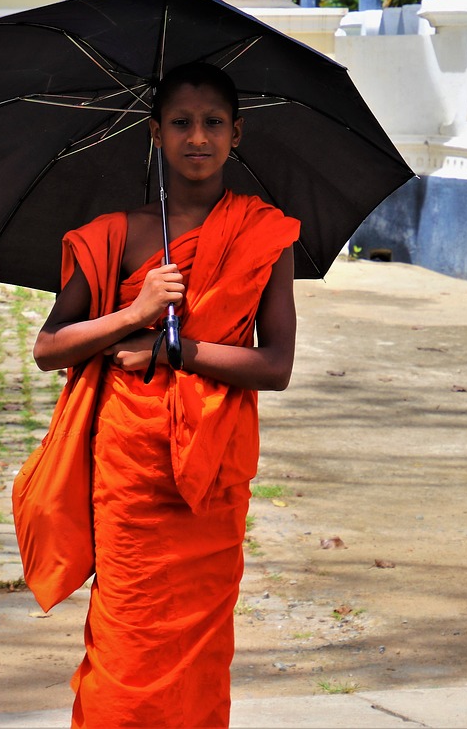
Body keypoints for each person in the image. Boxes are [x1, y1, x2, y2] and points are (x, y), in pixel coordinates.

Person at [32, 62, 301, 728]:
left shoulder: (264, 234)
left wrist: (175, 350)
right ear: (155, 134)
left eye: (213, 123)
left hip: (211, 477)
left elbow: (276, 363)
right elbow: (50, 347)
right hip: (130, 473)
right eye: (181, 123)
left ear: (237, 134)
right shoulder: (118, 233)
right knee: (128, 646)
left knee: (199, 657)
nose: (198, 137)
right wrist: (136, 311)